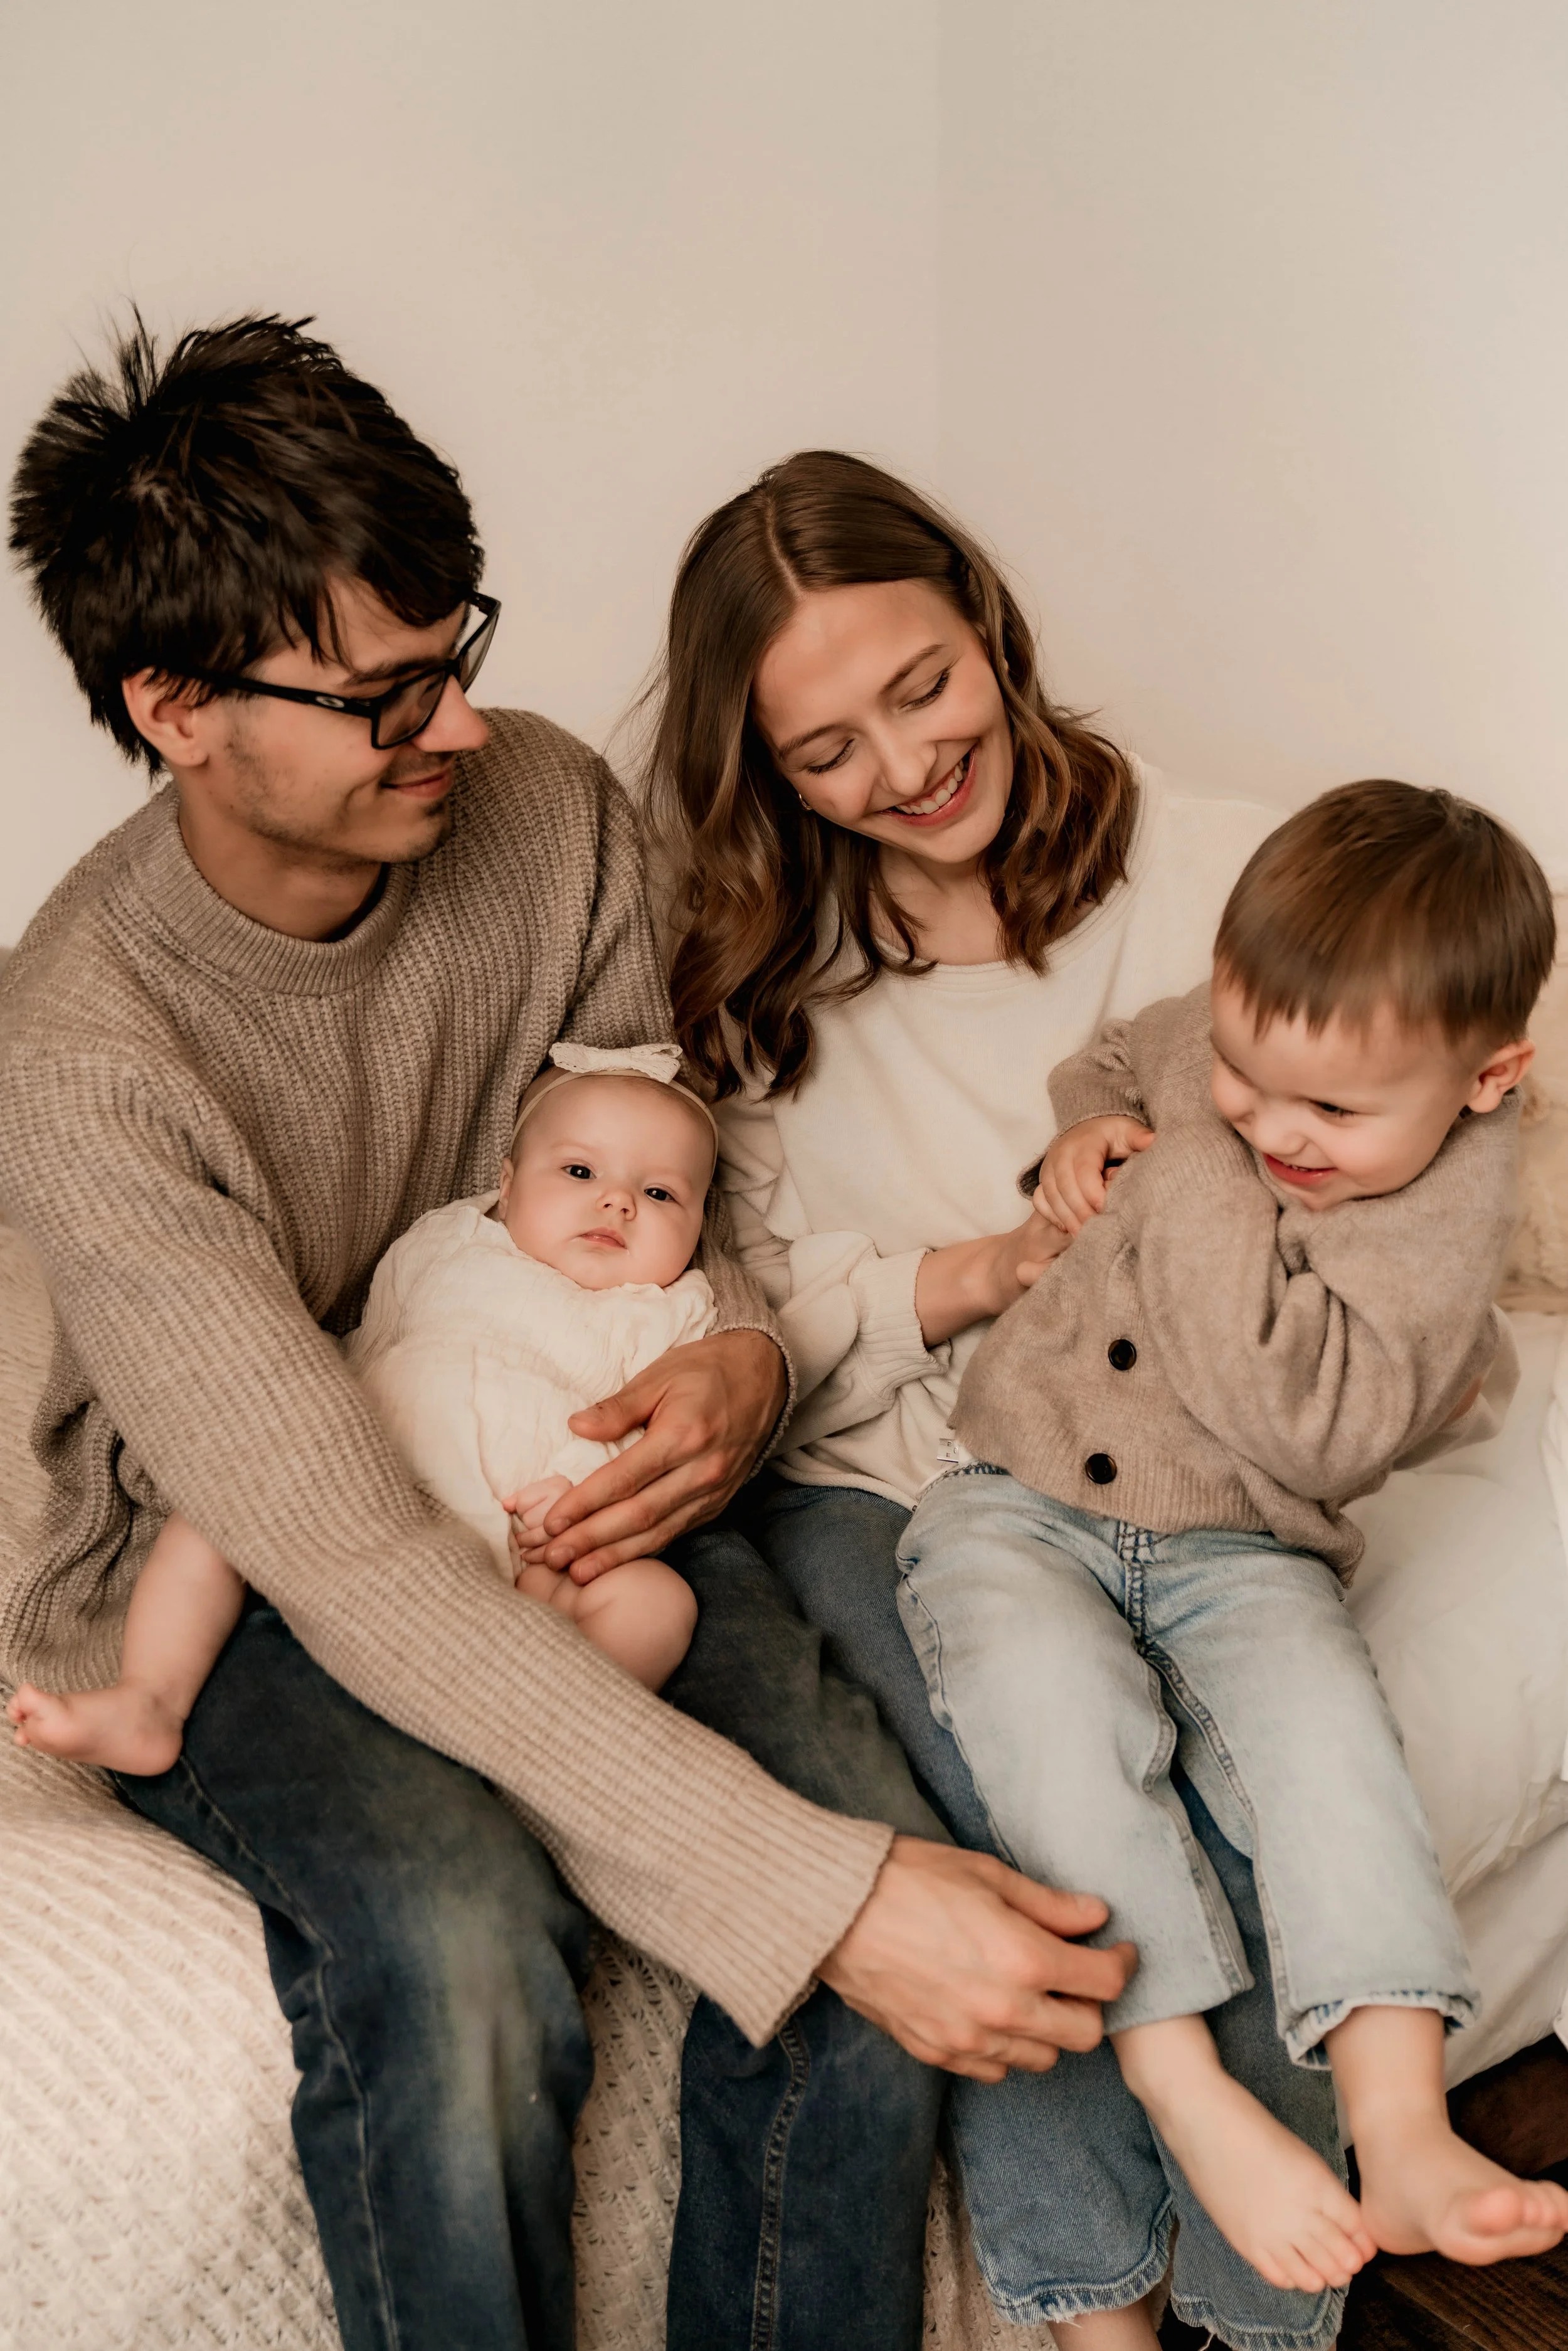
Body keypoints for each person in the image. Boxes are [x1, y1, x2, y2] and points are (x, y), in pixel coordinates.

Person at [0, 322, 1131, 2351]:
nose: (459, 722)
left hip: (565, 1469)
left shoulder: (553, 815)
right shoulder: (83, 1050)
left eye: (463, 648)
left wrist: (749, 1362)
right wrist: (815, 1896)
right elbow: (332, 1532)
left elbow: (701, 1196)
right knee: (463, 1943)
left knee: (872, 1880)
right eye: (381, 695)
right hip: (254, 1552)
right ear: (176, 707)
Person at [637, 447, 1368, 2350]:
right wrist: (981, 1273)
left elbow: (1378, 1183)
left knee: (1197, 1775)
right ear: (760, 774)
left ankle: (1236, 2313)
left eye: (922, 685)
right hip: (875, 1479)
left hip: (1160, 1467)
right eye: (821, 751)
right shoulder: (762, 989)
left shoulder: (1233, 878)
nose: (897, 767)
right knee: (1001, 1820)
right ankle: (1093, 2324)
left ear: (987, 623)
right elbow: (771, 1324)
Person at [896, 779, 1568, 2323]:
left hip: (1245, 1542)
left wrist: (1192, 1168)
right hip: (1022, 1491)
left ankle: (1397, 2121)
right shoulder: (1255, 1038)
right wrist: (1090, 1134)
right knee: (1050, 1716)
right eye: (1249, 1080)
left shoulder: (1440, 1215)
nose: (1271, 1127)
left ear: (1489, 1075)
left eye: (1331, 1116)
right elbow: (1118, 1057)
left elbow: (1320, 1433)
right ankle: (1180, 2072)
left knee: (1331, 1743)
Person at [8, 1043, 721, 1765]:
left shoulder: (671, 1313)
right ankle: (151, 1699)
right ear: (506, 1186)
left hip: (523, 1541)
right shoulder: (452, 1240)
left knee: (656, 1604)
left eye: (661, 1193)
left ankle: (538, 1745)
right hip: (363, 1482)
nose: (617, 1200)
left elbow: (658, 1441)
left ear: (697, 1230)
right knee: (215, 1509)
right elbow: (375, 1340)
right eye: (579, 1171)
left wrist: (582, 1502)